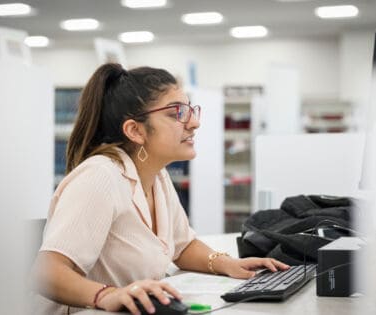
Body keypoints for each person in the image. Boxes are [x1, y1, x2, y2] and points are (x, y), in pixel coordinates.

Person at [31, 63, 289, 315]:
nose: (194, 123)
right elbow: (47, 273)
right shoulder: (100, 177)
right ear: (135, 130)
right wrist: (108, 295)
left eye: (190, 110)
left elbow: (182, 246)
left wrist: (227, 264)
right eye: (177, 112)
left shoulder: (158, 177)